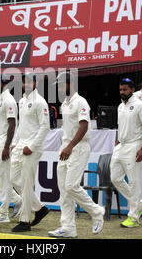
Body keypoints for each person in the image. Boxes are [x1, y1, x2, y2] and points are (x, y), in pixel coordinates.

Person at [48, 72, 105, 238]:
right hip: (66, 148)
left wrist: (70, 146)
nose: (58, 88)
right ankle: (68, 228)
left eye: (60, 85)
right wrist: (66, 147)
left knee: (71, 186)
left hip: (78, 147)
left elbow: (84, 126)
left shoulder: (81, 102)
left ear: (69, 83)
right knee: (64, 191)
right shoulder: (64, 104)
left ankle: (96, 211)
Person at [10, 73, 50, 233]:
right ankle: (39, 208)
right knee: (13, 178)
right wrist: (15, 143)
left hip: (32, 148)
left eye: (29, 81)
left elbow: (45, 127)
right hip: (20, 145)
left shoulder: (40, 102)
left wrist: (32, 146)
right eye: (23, 81)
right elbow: (21, 125)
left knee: (26, 184)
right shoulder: (22, 101)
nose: (26, 84)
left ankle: (24, 221)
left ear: (35, 82)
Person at [110, 78, 142, 228]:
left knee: (134, 182)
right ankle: (138, 205)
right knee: (115, 178)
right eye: (121, 90)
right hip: (121, 145)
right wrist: (118, 139)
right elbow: (121, 125)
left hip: (135, 145)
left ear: (133, 90)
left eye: (125, 89)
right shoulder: (120, 106)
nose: (122, 92)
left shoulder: (140, 105)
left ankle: (133, 217)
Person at [0, 75, 22, 224]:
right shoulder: (2, 100)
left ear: (3, 84)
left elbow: (12, 125)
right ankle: (17, 199)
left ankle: (3, 214)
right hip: (0, 143)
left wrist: (7, 146)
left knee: (4, 179)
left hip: (4, 145)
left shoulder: (9, 101)